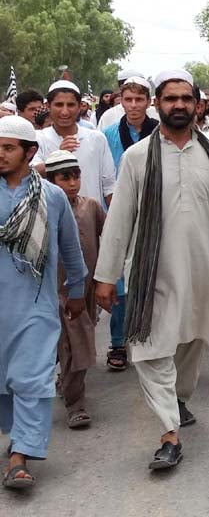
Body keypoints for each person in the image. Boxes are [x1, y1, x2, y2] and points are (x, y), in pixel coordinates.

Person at [93, 69, 209, 470]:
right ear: (157, 104)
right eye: (171, 99)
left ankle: (178, 398)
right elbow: (120, 219)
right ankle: (169, 434)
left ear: (197, 104)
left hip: (202, 267)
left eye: (186, 98)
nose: (179, 105)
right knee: (149, 348)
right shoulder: (136, 157)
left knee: (192, 339)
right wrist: (105, 275)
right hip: (152, 271)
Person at [0, 117, 86, 489]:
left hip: (36, 304)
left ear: (30, 152)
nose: (0, 155)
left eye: (8, 148)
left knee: (31, 378)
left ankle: (21, 456)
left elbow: (70, 246)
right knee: (4, 380)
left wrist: (78, 289)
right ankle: (17, 433)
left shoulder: (51, 197)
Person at [101, 76, 160, 371]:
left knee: (155, 277)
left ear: (149, 102)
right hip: (119, 212)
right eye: (128, 99)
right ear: (121, 101)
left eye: (139, 100)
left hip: (155, 214)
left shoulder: (161, 132)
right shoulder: (109, 134)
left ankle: (154, 339)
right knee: (120, 281)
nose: (134, 105)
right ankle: (119, 341)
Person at [44, 150, 105, 429]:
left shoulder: (90, 206)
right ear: (50, 180)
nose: (72, 183)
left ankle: (67, 385)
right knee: (71, 344)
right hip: (53, 290)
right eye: (64, 177)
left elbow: (108, 238)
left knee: (76, 343)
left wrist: (107, 279)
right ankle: (75, 404)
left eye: (76, 176)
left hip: (85, 289)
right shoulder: (41, 210)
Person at [32, 80, 115, 207]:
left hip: (91, 219)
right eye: (59, 105)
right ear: (48, 106)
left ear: (79, 106)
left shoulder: (96, 138)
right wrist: (59, 157)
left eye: (70, 105)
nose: (65, 112)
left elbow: (109, 186)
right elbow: (30, 175)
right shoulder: (38, 138)